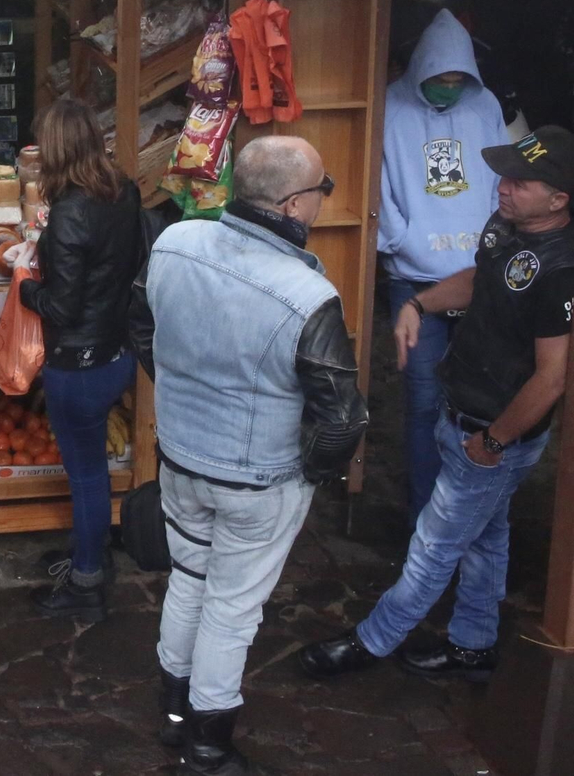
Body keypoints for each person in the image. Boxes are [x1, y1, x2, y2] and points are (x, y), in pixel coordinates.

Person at [302, 127, 574, 689]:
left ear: (559, 199)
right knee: (485, 538)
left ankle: (373, 640)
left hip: (493, 433)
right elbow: (484, 280)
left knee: (434, 545)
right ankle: (473, 646)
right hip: (463, 410)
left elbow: (553, 376)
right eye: (504, 176)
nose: (503, 187)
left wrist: (494, 442)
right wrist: (420, 304)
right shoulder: (507, 226)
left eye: (520, 182)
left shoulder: (562, 269)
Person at [127, 135, 367, 776]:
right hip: (260, 477)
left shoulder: (174, 242)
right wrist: (312, 472)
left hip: (181, 457)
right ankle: (208, 744)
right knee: (232, 609)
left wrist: (177, 386)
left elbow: (140, 322)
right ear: (293, 205)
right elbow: (343, 416)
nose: (324, 199)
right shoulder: (307, 295)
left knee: (189, 579)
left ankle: (173, 713)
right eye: (322, 189)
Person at [377, 9, 509, 521]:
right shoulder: (390, 106)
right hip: (414, 279)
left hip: (479, 278)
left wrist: (495, 240)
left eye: (458, 81)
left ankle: (470, 512)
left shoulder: (486, 104)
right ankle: (423, 516)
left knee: (481, 399)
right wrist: (400, 240)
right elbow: (378, 186)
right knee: (423, 401)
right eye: (441, 79)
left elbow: (503, 178)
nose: (449, 89)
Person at [20, 100, 143, 621]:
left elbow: (62, 307)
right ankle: (90, 552)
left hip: (78, 363)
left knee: (87, 474)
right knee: (91, 471)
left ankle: (87, 580)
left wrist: (27, 289)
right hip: (116, 350)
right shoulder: (123, 189)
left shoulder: (71, 210)